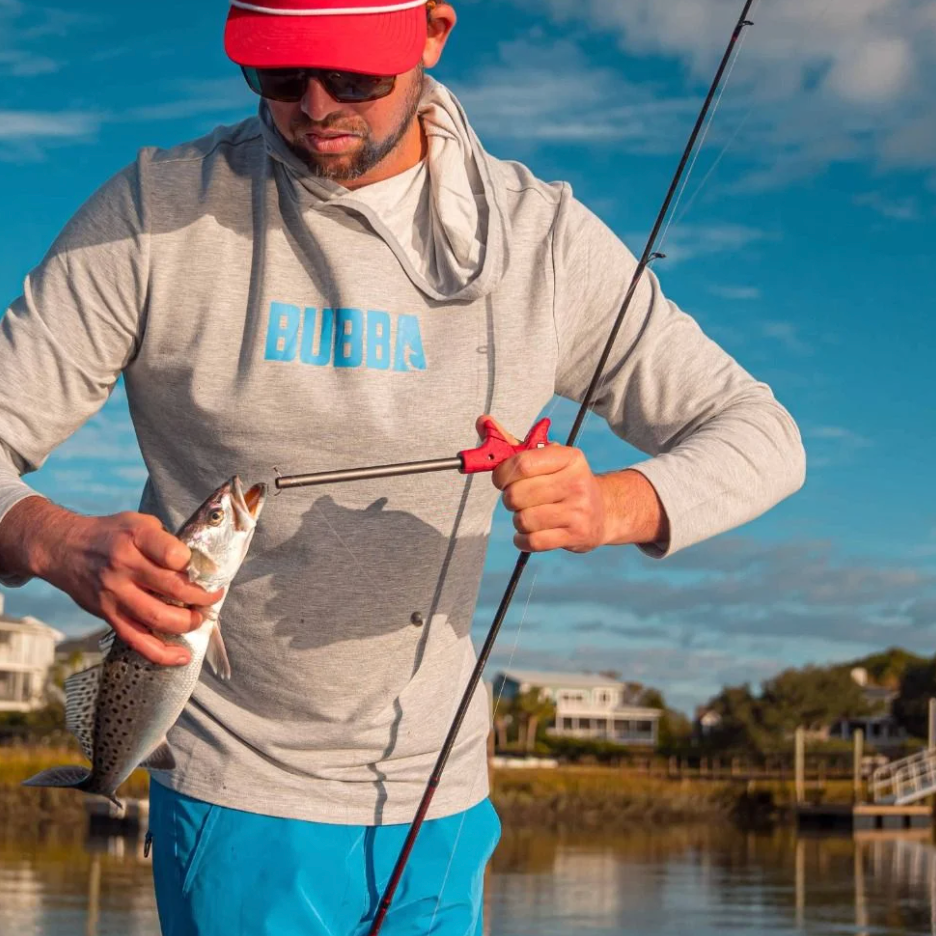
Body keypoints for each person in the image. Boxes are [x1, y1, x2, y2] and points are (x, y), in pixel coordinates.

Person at [0, 1, 806, 933]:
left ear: (432, 33)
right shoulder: (154, 211)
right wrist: (47, 537)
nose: (314, 107)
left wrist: (615, 503)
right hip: (235, 790)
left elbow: (763, 435)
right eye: (278, 73)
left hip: (442, 799)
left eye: (353, 76)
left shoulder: (543, 239)